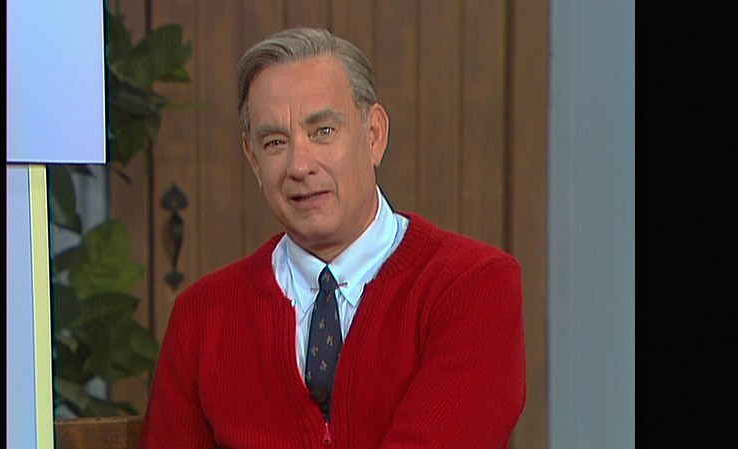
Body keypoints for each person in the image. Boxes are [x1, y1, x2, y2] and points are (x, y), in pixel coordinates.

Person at [139, 26, 526, 449]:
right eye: (275, 142)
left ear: (374, 135)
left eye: (323, 131)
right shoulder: (202, 316)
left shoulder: (474, 285)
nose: (299, 165)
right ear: (253, 158)